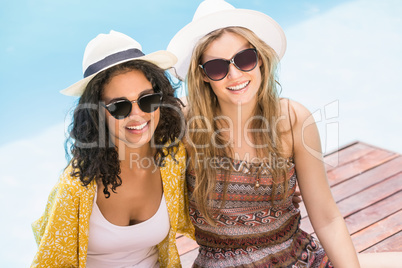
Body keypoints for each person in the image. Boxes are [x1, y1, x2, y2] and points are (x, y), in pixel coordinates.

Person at [167, 0, 385, 267]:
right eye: (217, 68)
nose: (234, 75)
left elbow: (327, 217)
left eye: (244, 59)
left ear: (260, 59)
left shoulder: (292, 120)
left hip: (297, 258)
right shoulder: (184, 125)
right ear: (202, 75)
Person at [31, 30, 194, 268]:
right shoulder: (77, 187)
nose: (138, 114)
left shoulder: (172, 158)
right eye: (120, 106)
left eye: (148, 99)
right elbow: (51, 262)